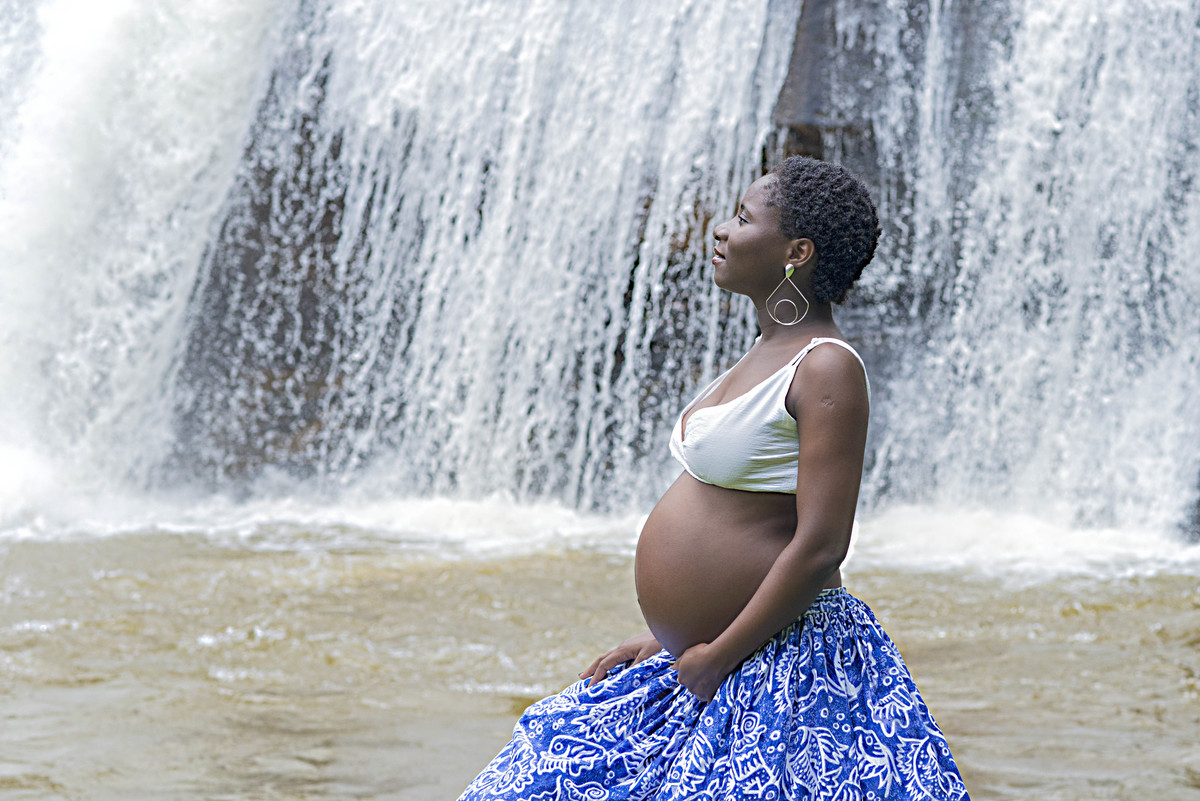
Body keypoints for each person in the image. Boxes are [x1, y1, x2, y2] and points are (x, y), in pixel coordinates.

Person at [457, 156, 970, 800]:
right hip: (706, 656)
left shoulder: (826, 368)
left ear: (797, 252)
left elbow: (820, 546)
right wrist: (669, 636)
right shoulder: (765, 351)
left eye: (742, 218)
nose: (720, 232)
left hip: (775, 667)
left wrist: (719, 651)